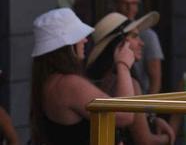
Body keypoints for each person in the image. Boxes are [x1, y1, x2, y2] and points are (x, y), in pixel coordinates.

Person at [29, 8, 137, 144]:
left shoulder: (50, 81)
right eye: (78, 35)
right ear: (67, 45)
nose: (85, 40)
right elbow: (125, 115)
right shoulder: (68, 84)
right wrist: (123, 65)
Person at [86, 11, 175, 145]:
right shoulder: (129, 83)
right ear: (119, 44)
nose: (141, 43)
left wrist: (153, 120)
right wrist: (169, 137)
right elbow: (145, 140)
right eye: (134, 36)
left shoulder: (98, 81)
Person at [112, 0, 164, 94]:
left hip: (139, 98)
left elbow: (155, 77)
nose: (130, 8)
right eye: (125, 3)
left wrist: (148, 108)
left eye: (134, 3)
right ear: (116, 5)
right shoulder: (110, 32)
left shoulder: (148, 35)